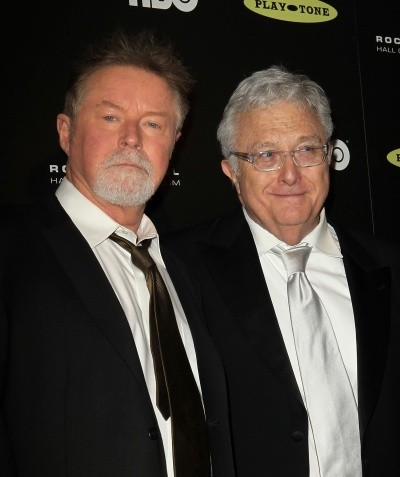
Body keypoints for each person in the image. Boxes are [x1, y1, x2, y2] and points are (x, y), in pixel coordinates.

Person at [0, 29, 235, 477]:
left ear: (174, 143)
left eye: (152, 123)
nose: (132, 138)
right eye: (110, 117)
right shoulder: (10, 251)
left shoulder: (186, 270)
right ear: (65, 132)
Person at [163, 65, 400, 476]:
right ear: (232, 172)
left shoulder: (390, 266)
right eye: (266, 155)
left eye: (307, 150)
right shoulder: (177, 268)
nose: (290, 175)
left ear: (330, 155)